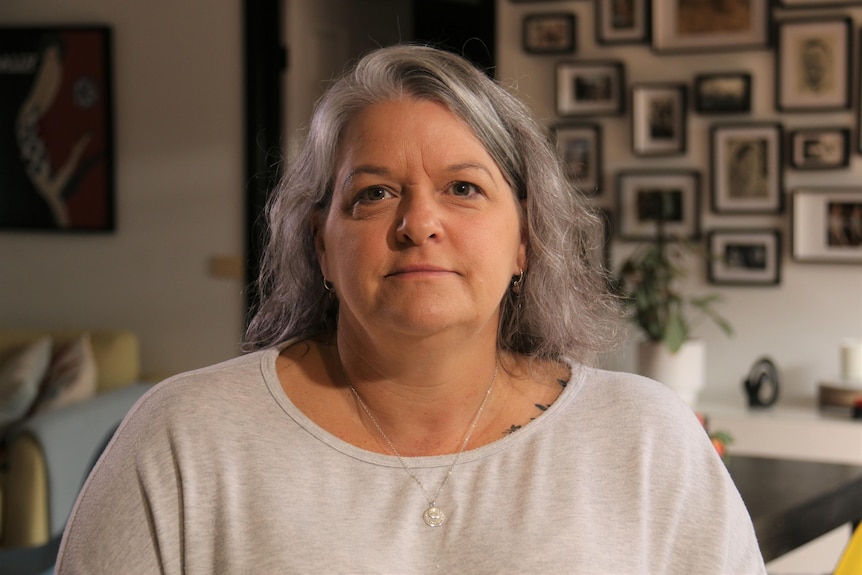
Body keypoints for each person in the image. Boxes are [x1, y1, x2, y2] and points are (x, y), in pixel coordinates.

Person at [56, 44, 766, 573]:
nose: (419, 223)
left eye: (463, 188)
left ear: (526, 238)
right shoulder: (183, 440)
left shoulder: (647, 439)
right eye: (374, 193)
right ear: (321, 246)